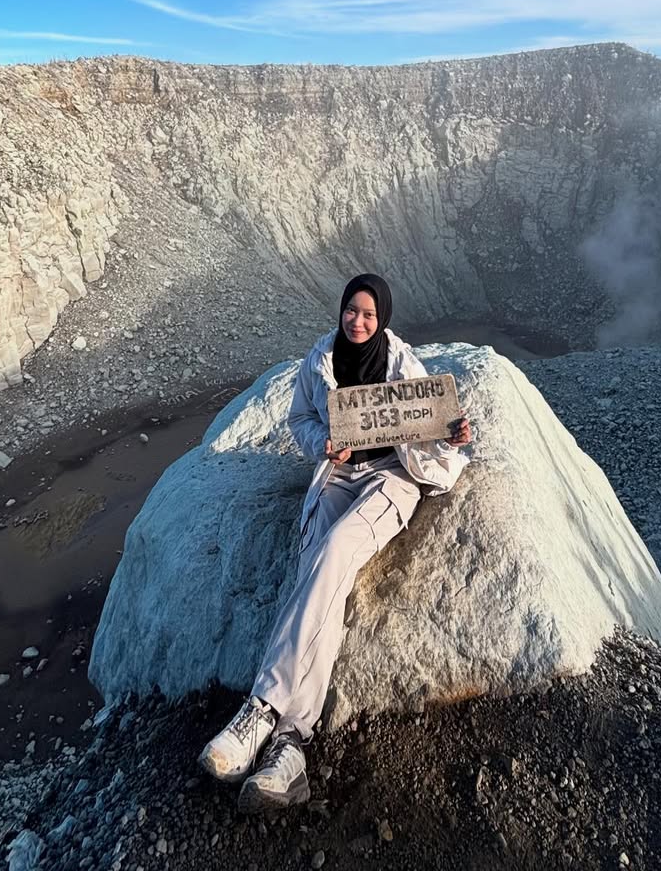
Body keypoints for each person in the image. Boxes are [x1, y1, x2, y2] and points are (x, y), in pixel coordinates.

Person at [198, 272, 472, 812]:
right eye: (352, 310)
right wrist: (321, 444)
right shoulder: (320, 360)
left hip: (392, 479)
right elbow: (300, 417)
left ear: (382, 318)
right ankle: (290, 747)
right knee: (316, 575)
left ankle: (262, 708)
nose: (358, 321)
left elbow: (431, 425)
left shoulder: (403, 365)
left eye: (369, 314)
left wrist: (452, 435)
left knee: (334, 552)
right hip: (339, 476)